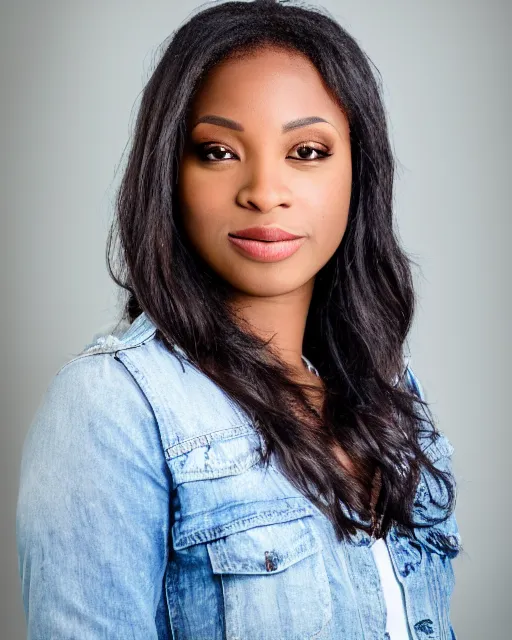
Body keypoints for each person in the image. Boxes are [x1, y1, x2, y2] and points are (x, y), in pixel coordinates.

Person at [15, 0, 462, 638]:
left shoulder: (389, 396)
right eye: (219, 152)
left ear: (358, 173)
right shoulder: (111, 405)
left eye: (306, 151)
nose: (263, 190)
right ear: (168, 174)